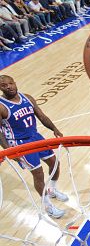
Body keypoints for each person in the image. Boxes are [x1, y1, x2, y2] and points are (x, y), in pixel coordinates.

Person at [0, 75, 68, 218]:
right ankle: (48, 206)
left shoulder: (27, 98)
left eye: (10, 83)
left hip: (35, 137)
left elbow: (42, 116)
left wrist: (55, 129)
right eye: (4, 85)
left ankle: (52, 189)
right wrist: (9, 151)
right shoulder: (1, 106)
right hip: (19, 143)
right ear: (1, 88)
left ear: (15, 82)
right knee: (38, 174)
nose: (9, 87)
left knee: (54, 163)